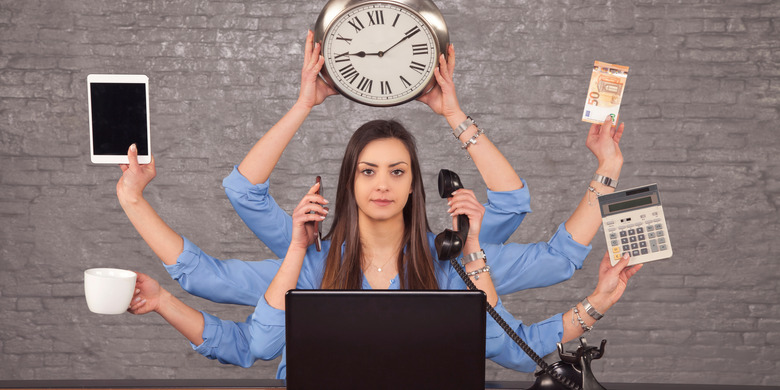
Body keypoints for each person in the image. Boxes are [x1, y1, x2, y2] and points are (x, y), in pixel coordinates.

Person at [126, 120, 640, 376]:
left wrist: (600, 300)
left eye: (398, 172)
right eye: (368, 171)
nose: (382, 184)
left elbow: (523, 345)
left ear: (415, 184)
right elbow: (215, 299)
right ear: (350, 181)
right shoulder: (309, 266)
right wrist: (133, 204)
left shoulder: (453, 265)